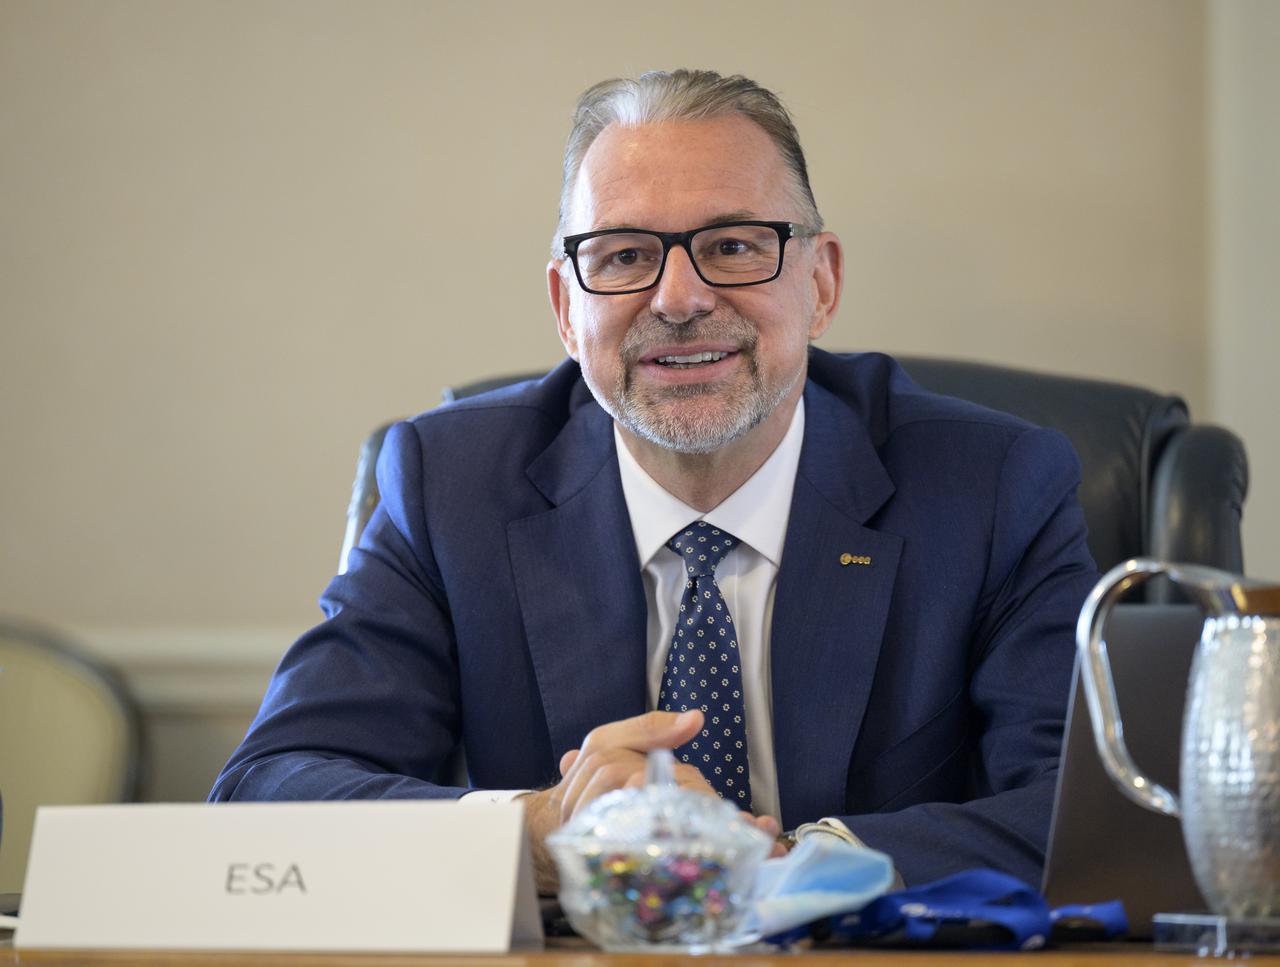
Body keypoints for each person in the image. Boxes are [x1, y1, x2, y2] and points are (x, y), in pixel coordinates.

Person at [211, 69, 1098, 892]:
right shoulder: (450, 486)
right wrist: (537, 834)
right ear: (567, 307)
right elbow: (265, 793)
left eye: (734, 245)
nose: (678, 298)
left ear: (821, 283)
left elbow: (1092, 812)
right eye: (625, 255)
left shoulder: (991, 489)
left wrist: (792, 864)